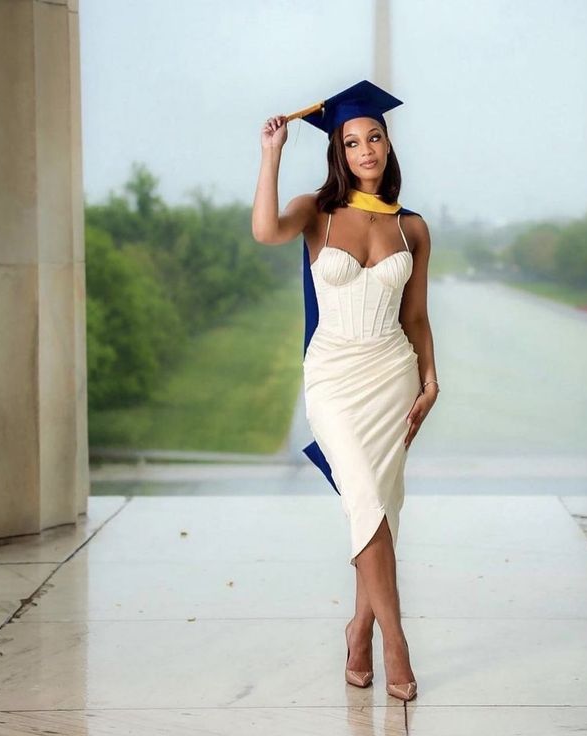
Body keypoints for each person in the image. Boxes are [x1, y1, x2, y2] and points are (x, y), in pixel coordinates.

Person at [252, 80, 439, 702]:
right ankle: (396, 643)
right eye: (353, 140)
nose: (366, 149)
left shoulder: (412, 228)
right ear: (338, 150)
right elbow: (264, 231)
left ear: (388, 145)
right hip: (333, 378)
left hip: (393, 376)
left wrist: (431, 377)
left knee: (377, 508)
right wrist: (271, 152)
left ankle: (358, 630)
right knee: (363, 498)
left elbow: (415, 317)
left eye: (374, 137)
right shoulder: (316, 212)